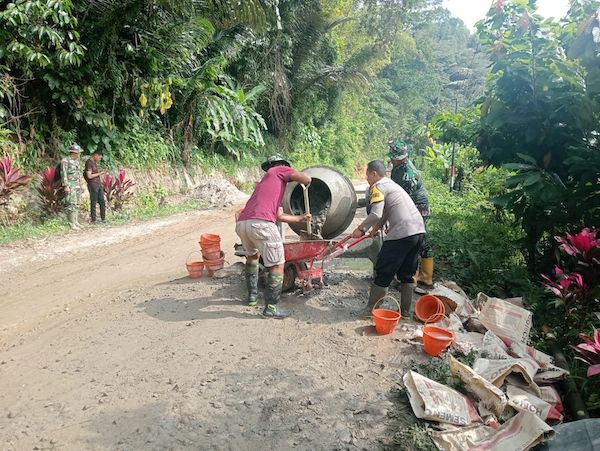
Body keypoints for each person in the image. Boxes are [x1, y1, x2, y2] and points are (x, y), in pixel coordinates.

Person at [236, 154, 312, 318]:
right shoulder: (279, 170)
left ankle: (252, 297)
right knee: (277, 264)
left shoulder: (263, 185)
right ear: (282, 165)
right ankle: (271, 307)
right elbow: (305, 178)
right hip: (261, 225)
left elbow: (278, 216)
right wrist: (308, 180)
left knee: (252, 257)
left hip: (243, 224)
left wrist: (300, 218)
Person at [351, 160, 425, 317]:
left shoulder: (378, 186)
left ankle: (370, 311)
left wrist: (361, 229)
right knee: (407, 274)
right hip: (418, 231)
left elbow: (376, 213)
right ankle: (405, 313)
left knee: (383, 270)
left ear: (374, 174)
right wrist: (375, 229)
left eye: (367, 175)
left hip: (402, 233)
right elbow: (384, 214)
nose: (366, 178)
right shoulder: (392, 185)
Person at [388, 139, 434, 288]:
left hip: (418, 208)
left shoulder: (409, 174)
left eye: (394, 158)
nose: (392, 160)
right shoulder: (397, 169)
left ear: (402, 157)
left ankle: (417, 278)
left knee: (415, 240)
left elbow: (403, 199)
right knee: (414, 240)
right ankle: (413, 276)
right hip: (410, 206)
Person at [61, 144, 83, 230]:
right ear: (74, 152)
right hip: (70, 184)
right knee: (71, 203)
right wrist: (66, 185)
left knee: (77, 203)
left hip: (76, 184)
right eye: (78, 152)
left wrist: (81, 185)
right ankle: (71, 223)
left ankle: (76, 221)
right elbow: (63, 174)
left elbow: (78, 174)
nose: (79, 154)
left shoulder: (77, 162)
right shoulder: (65, 161)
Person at [84, 150, 108, 223]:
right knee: (93, 202)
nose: (99, 159)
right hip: (93, 185)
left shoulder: (94, 163)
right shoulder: (89, 163)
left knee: (102, 202)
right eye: (99, 158)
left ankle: (103, 219)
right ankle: (93, 220)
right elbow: (89, 176)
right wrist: (100, 173)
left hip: (98, 185)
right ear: (96, 155)